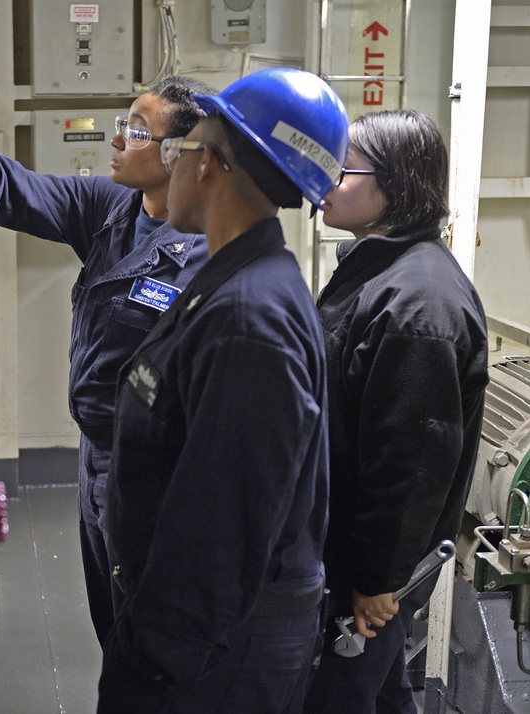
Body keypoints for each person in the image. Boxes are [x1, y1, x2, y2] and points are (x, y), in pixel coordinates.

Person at [0, 76, 217, 646]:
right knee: (111, 613)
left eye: (137, 131)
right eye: (124, 123)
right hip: (96, 453)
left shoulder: (207, 254)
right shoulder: (112, 206)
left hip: (154, 464)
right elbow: (23, 192)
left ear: (180, 155)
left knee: (148, 622)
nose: (117, 140)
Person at [97, 68, 348, 713]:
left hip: (213, 656)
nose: (171, 166)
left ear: (207, 162)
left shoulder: (248, 318)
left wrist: (154, 657)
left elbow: (222, 524)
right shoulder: (233, 279)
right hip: (210, 634)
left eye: (177, 151)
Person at [302, 110, 489, 714]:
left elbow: (409, 465)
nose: (324, 180)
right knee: (382, 695)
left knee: (340, 697)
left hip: (368, 572)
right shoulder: (377, 271)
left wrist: (377, 581)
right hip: (355, 558)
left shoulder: (417, 303)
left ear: (397, 185)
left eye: (342, 169)